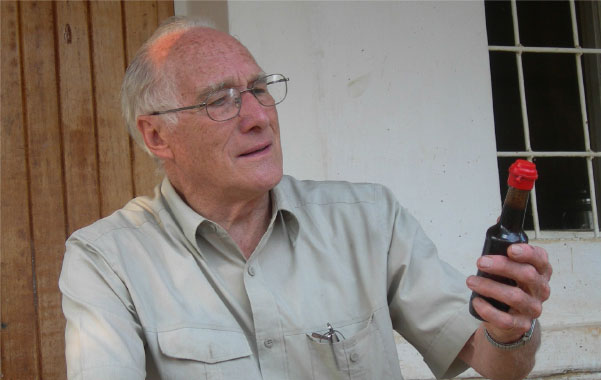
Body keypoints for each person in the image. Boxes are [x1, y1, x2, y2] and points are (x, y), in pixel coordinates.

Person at [59, 16, 552, 380]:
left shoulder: (368, 220)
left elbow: (495, 364)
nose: (258, 116)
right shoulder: (108, 259)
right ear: (157, 137)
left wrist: (510, 331)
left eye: (258, 88)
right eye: (220, 100)